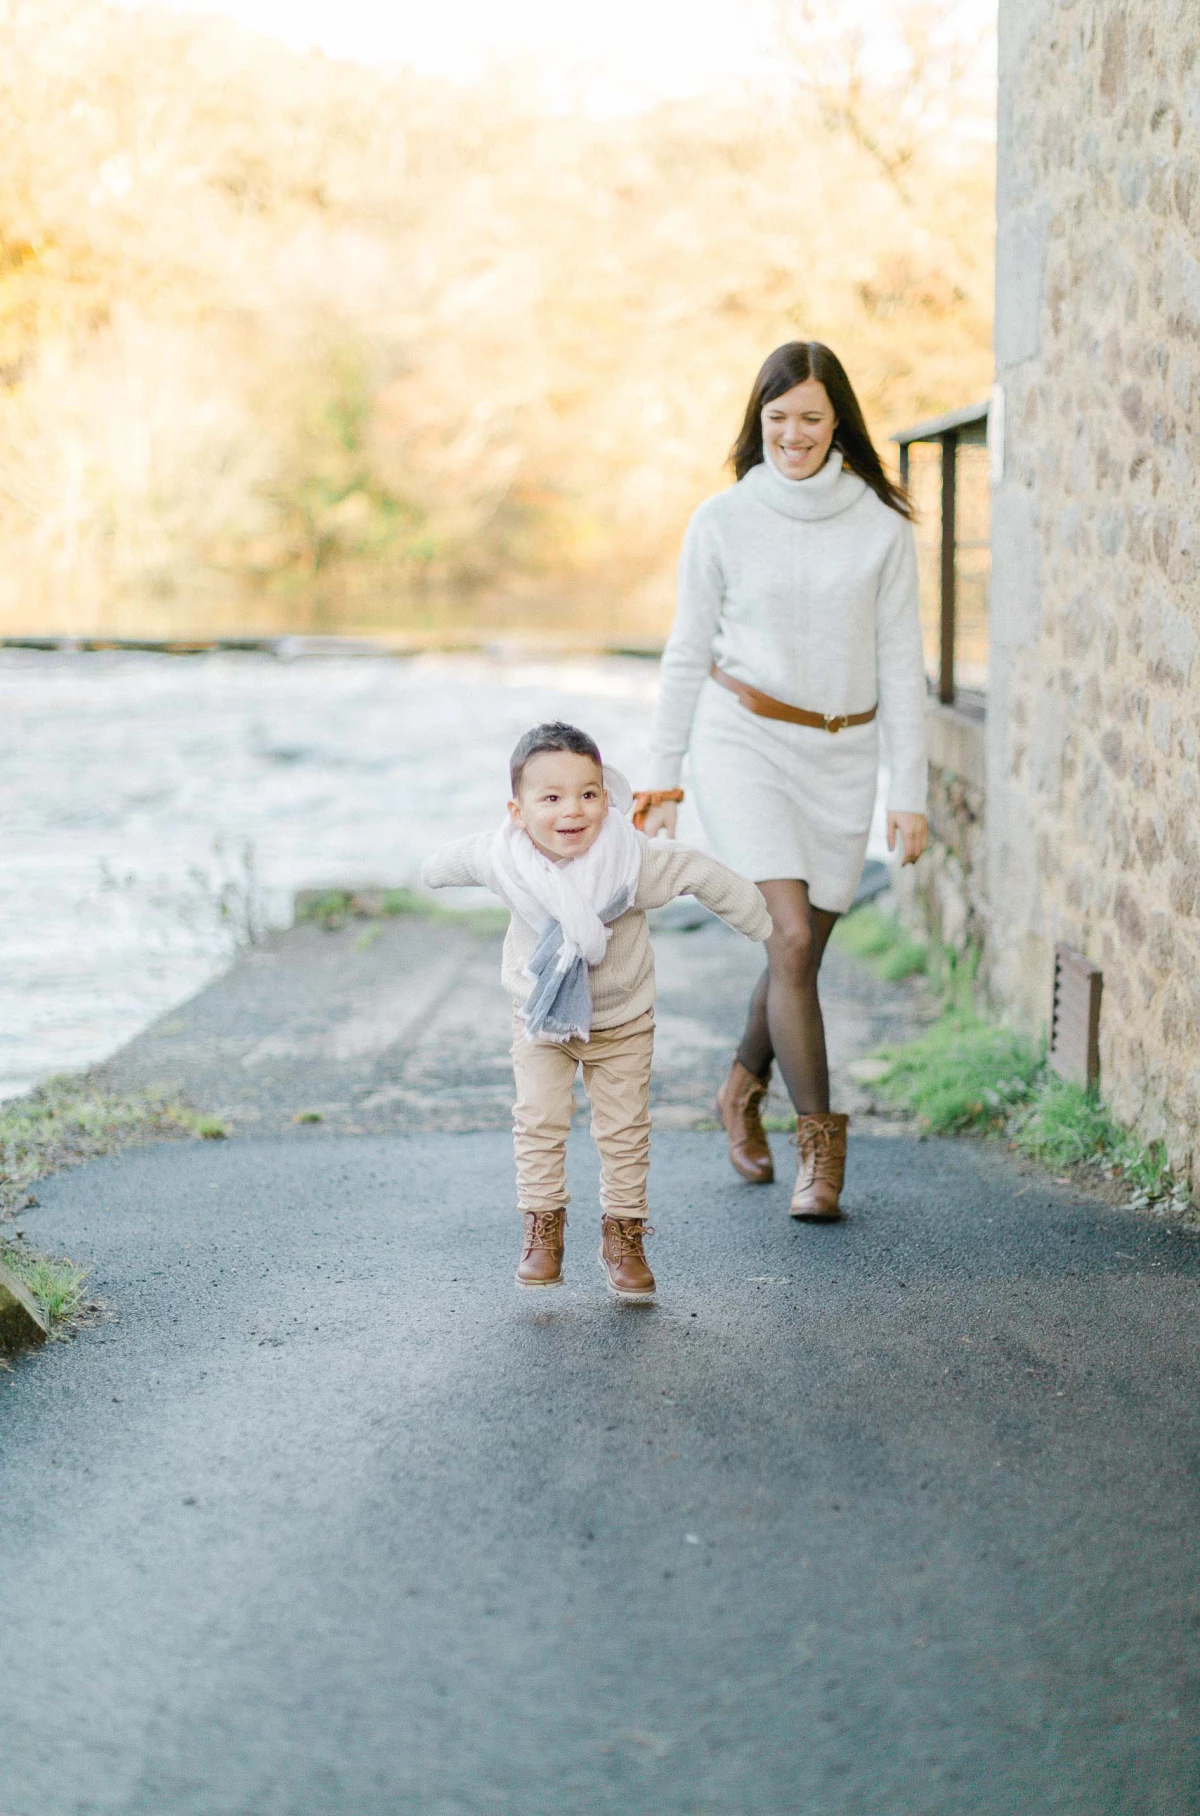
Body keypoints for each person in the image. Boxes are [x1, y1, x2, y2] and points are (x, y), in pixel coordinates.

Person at [637, 341, 928, 1221]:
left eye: (809, 416)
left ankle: (737, 1088)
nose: (793, 434)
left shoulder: (880, 527)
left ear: (837, 419)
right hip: (743, 741)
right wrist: (664, 776)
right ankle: (822, 1158)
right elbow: (687, 652)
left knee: (797, 949)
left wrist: (904, 792)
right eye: (777, 419)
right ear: (756, 423)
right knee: (792, 936)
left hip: (842, 756)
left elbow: (903, 668)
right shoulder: (721, 520)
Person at [420, 721, 771, 1300]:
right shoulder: (504, 860)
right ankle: (542, 1231)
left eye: (587, 793)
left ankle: (624, 1235)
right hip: (540, 1019)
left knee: (625, 1130)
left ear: (607, 799)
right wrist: (428, 871)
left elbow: (700, 871)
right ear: (517, 810)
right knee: (539, 1117)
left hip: (623, 1018)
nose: (572, 810)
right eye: (551, 798)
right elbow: (450, 862)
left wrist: (762, 925)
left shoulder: (632, 861)